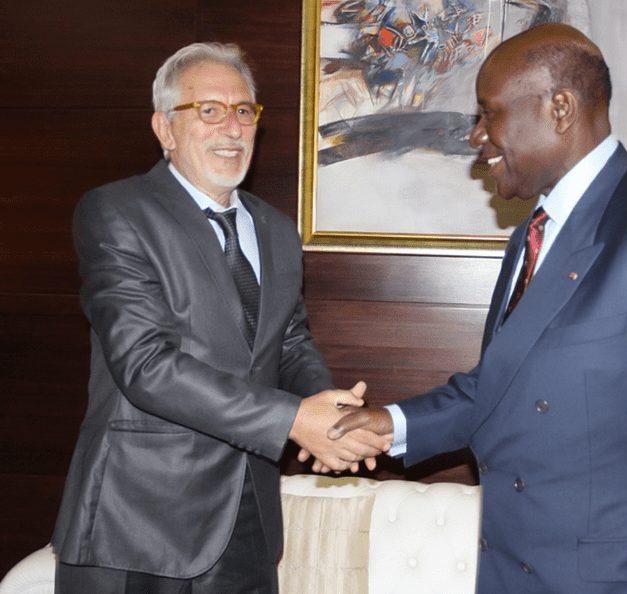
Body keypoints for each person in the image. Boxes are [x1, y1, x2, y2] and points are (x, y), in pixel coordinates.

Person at [331, 23, 627, 594]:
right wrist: (388, 425)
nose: (476, 137)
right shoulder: (531, 237)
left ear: (559, 108)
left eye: (489, 114)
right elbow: (504, 386)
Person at [51, 42, 389, 594]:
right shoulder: (116, 212)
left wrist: (335, 416)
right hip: (137, 525)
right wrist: (292, 420)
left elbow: (289, 342)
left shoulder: (278, 229)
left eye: (242, 111)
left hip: (249, 526)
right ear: (165, 128)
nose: (230, 128)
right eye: (207, 110)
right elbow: (145, 366)